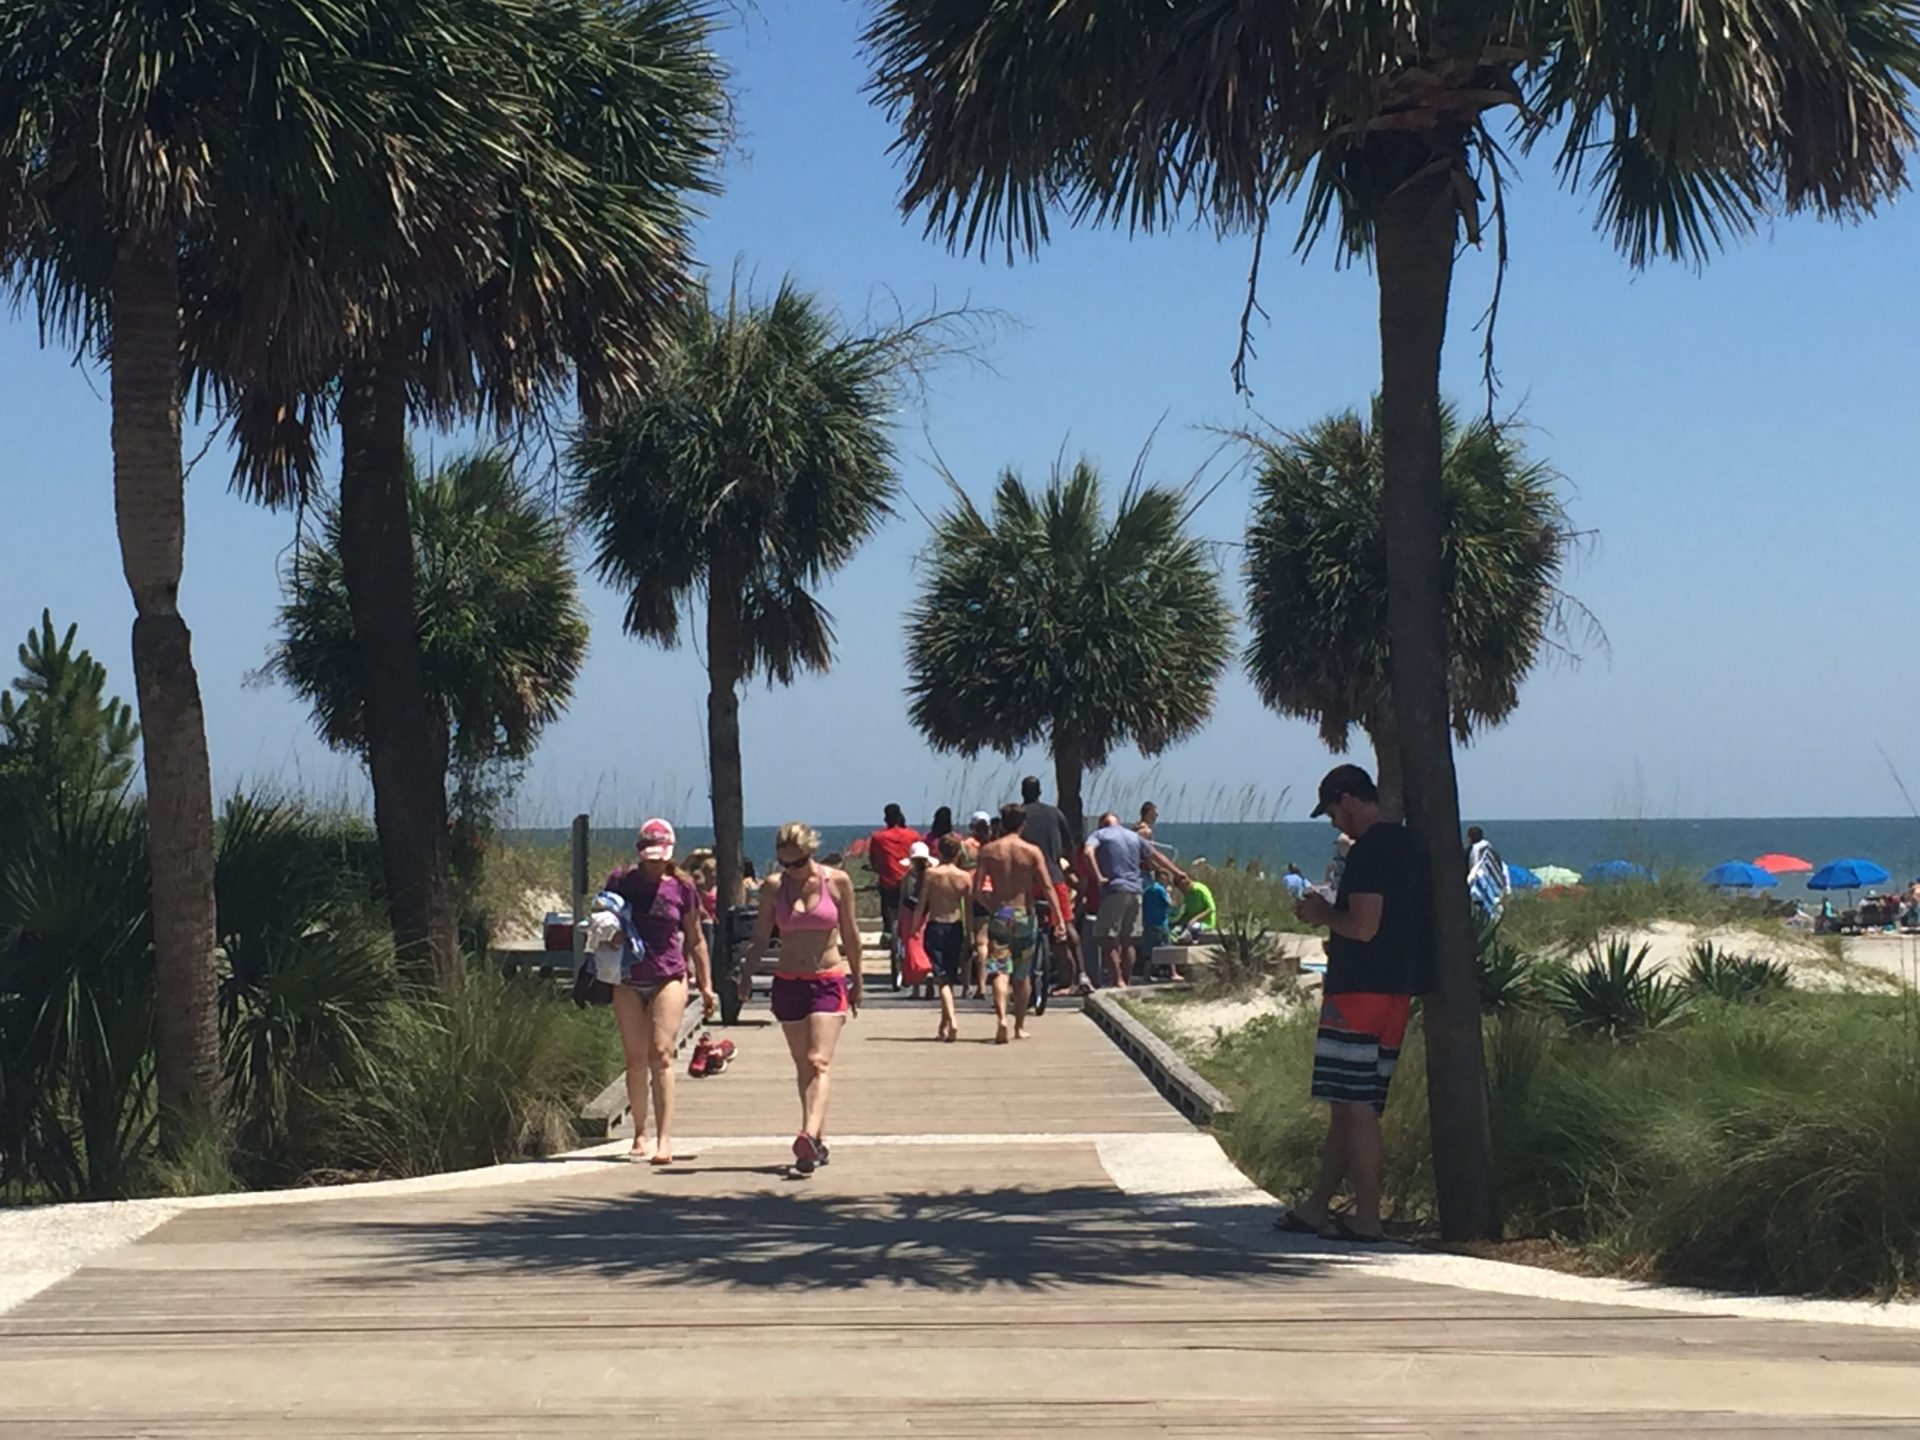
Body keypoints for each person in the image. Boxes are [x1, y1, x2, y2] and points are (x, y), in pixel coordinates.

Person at [1275, 765, 1429, 1244]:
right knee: (1349, 1103)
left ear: (1346, 799)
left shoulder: (1370, 850)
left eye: (1334, 813)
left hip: (1359, 990)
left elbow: (1363, 925)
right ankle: (1317, 1206)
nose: (1336, 824)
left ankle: (1367, 1216)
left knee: (1355, 1105)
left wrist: (1323, 913)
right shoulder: (1407, 845)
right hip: (1396, 989)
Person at [738, 822, 863, 1176]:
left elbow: (851, 934)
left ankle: (806, 1133)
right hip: (788, 981)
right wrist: (746, 974)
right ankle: (815, 1144)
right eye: (784, 863)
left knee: (818, 1060)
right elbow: (761, 937)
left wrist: (859, 979)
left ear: (811, 854)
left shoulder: (837, 882)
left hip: (827, 979)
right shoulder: (774, 888)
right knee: (803, 1065)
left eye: (798, 863)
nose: (791, 870)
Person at [603, 819, 716, 1165]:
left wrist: (706, 985)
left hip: (669, 974)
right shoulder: (621, 881)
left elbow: (695, 938)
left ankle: (665, 1138)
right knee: (635, 1059)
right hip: (627, 975)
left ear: (669, 854)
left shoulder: (681, 888)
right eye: (649, 856)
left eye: (659, 856)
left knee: (661, 1053)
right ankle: (640, 1131)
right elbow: (602, 921)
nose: (654, 863)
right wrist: (610, 933)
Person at [973, 803, 1065, 1043]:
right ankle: (1019, 1025)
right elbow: (1047, 886)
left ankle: (1001, 1017)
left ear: (1002, 823)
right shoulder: (1032, 851)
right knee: (1022, 974)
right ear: (1023, 824)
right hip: (1024, 913)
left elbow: (977, 889)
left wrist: (992, 906)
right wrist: (1060, 919)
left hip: (1000, 914)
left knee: (1000, 971)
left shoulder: (989, 851)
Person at [1085, 811, 1186, 989]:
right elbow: (1157, 856)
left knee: (1107, 938)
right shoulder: (1133, 837)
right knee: (1128, 939)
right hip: (1136, 891)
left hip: (1114, 890)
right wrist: (1177, 872)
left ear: (1102, 824)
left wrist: (1098, 875)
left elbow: (1088, 852)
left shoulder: (1099, 834)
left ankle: (1118, 981)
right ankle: (1127, 980)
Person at [1017, 776, 1082, 993]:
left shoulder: (1018, 815)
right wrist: (1071, 868)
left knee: (1020, 928)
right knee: (1065, 925)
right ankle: (1078, 976)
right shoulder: (1054, 813)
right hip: (1053, 877)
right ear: (1040, 791)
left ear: (1022, 792)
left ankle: (1018, 979)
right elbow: (1069, 844)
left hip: (1026, 880)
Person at [908, 834, 973, 1041]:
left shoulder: (931, 875)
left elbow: (921, 904)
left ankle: (951, 1021)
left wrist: (914, 927)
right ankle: (943, 1026)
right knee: (949, 976)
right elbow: (969, 911)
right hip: (955, 926)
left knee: (942, 978)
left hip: (936, 925)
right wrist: (970, 935)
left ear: (940, 852)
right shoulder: (964, 877)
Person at [867, 803, 923, 943]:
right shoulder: (913, 835)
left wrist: (878, 868)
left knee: (888, 908)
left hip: (889, 880)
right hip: (910, 880)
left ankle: (887, 934)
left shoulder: (878, 837)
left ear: (886, 819)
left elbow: (874, 859)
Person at [898, 840, 933, 996]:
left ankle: (916, 987)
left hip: (909, 912)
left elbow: (902, 898)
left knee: (912, 949)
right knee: (925, 946)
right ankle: (928, 975)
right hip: (928, 913)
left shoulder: (908, 877)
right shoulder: (932, 876)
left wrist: (899, 919)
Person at [1173, 874, 1217, 940]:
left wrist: (1195, 919)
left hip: (1205, 923)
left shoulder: (1200, 889)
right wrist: (1178, 922)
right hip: (1189, 922)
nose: (1181, 891)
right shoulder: (1187, 894)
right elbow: (1188, 912)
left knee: (1193, 928)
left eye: (1181, 888)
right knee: (1175, 930)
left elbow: (1211, 908)